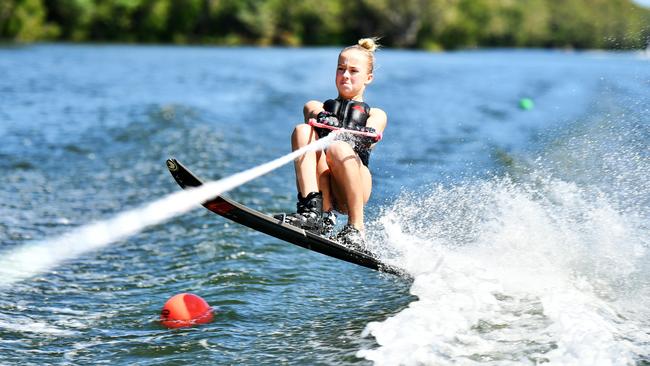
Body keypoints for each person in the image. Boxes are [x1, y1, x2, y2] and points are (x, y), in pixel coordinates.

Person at [276, 37, 387, 251]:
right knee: (303, 130)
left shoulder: (376, 114)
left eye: (353, 71)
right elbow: (311, 108)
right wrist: (323, 117)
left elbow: (375, 130)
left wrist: (365, 133)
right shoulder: (319, 106)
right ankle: (314, 214)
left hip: (352, 189)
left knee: (338, 148)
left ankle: (356, 228)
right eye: (340, 69)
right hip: (325, 185)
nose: (345, 75)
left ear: (368, 78)